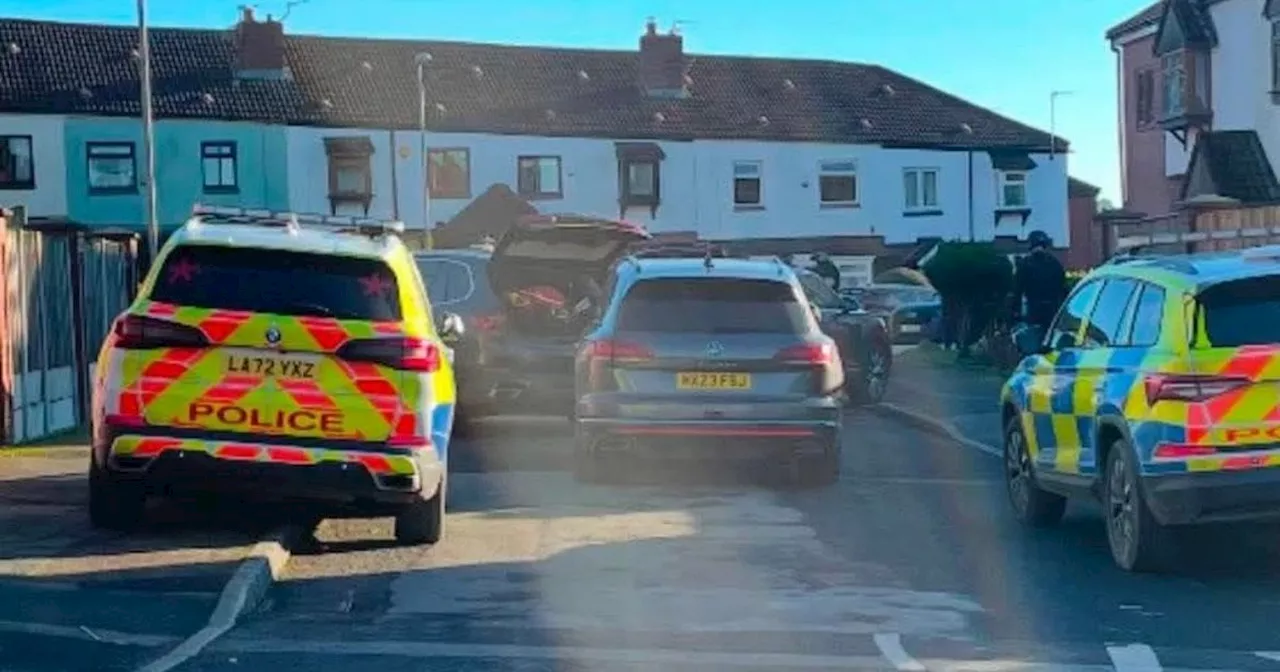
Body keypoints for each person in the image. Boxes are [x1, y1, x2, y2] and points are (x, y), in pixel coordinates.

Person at [1013, 230, 1067, 332]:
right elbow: (1063, 288)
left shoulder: (1025, 264)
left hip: (1034, 310)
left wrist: (1015, 312)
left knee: (1033, 339)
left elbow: (1017, 291)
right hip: (1053, 310)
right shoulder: (1055, 263)